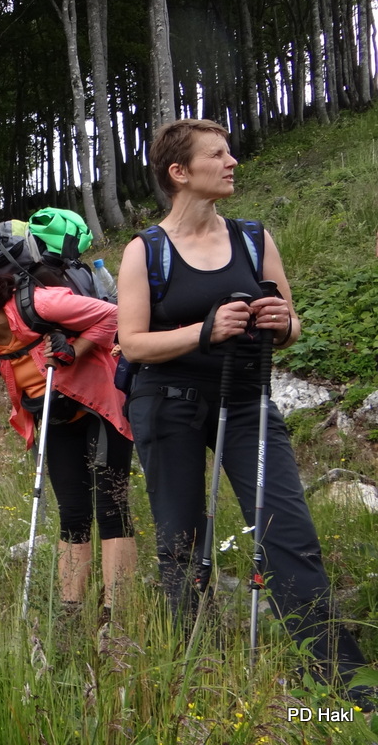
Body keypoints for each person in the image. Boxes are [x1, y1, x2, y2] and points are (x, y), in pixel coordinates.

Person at [116, 117, 374, 707]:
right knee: (182, 543)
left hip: (247, 397)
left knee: (289, 531)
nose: (232, 162)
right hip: (168, 402)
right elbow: (132, 344)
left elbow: (291, 322)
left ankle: (344, 688)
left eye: (229, 152)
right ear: (180, 172)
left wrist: (284, 323)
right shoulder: (145, 251)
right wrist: (203, 331)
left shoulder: (254, 239)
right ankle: (199, 676)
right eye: (217, 154)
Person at [0, 264, 136, 620]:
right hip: (55, 414)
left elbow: (114, 315)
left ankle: (117, 617)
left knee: (111, 508)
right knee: (72, 512)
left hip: (100, 406)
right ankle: (71, 612)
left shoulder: (40, 305)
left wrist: (75, 349)